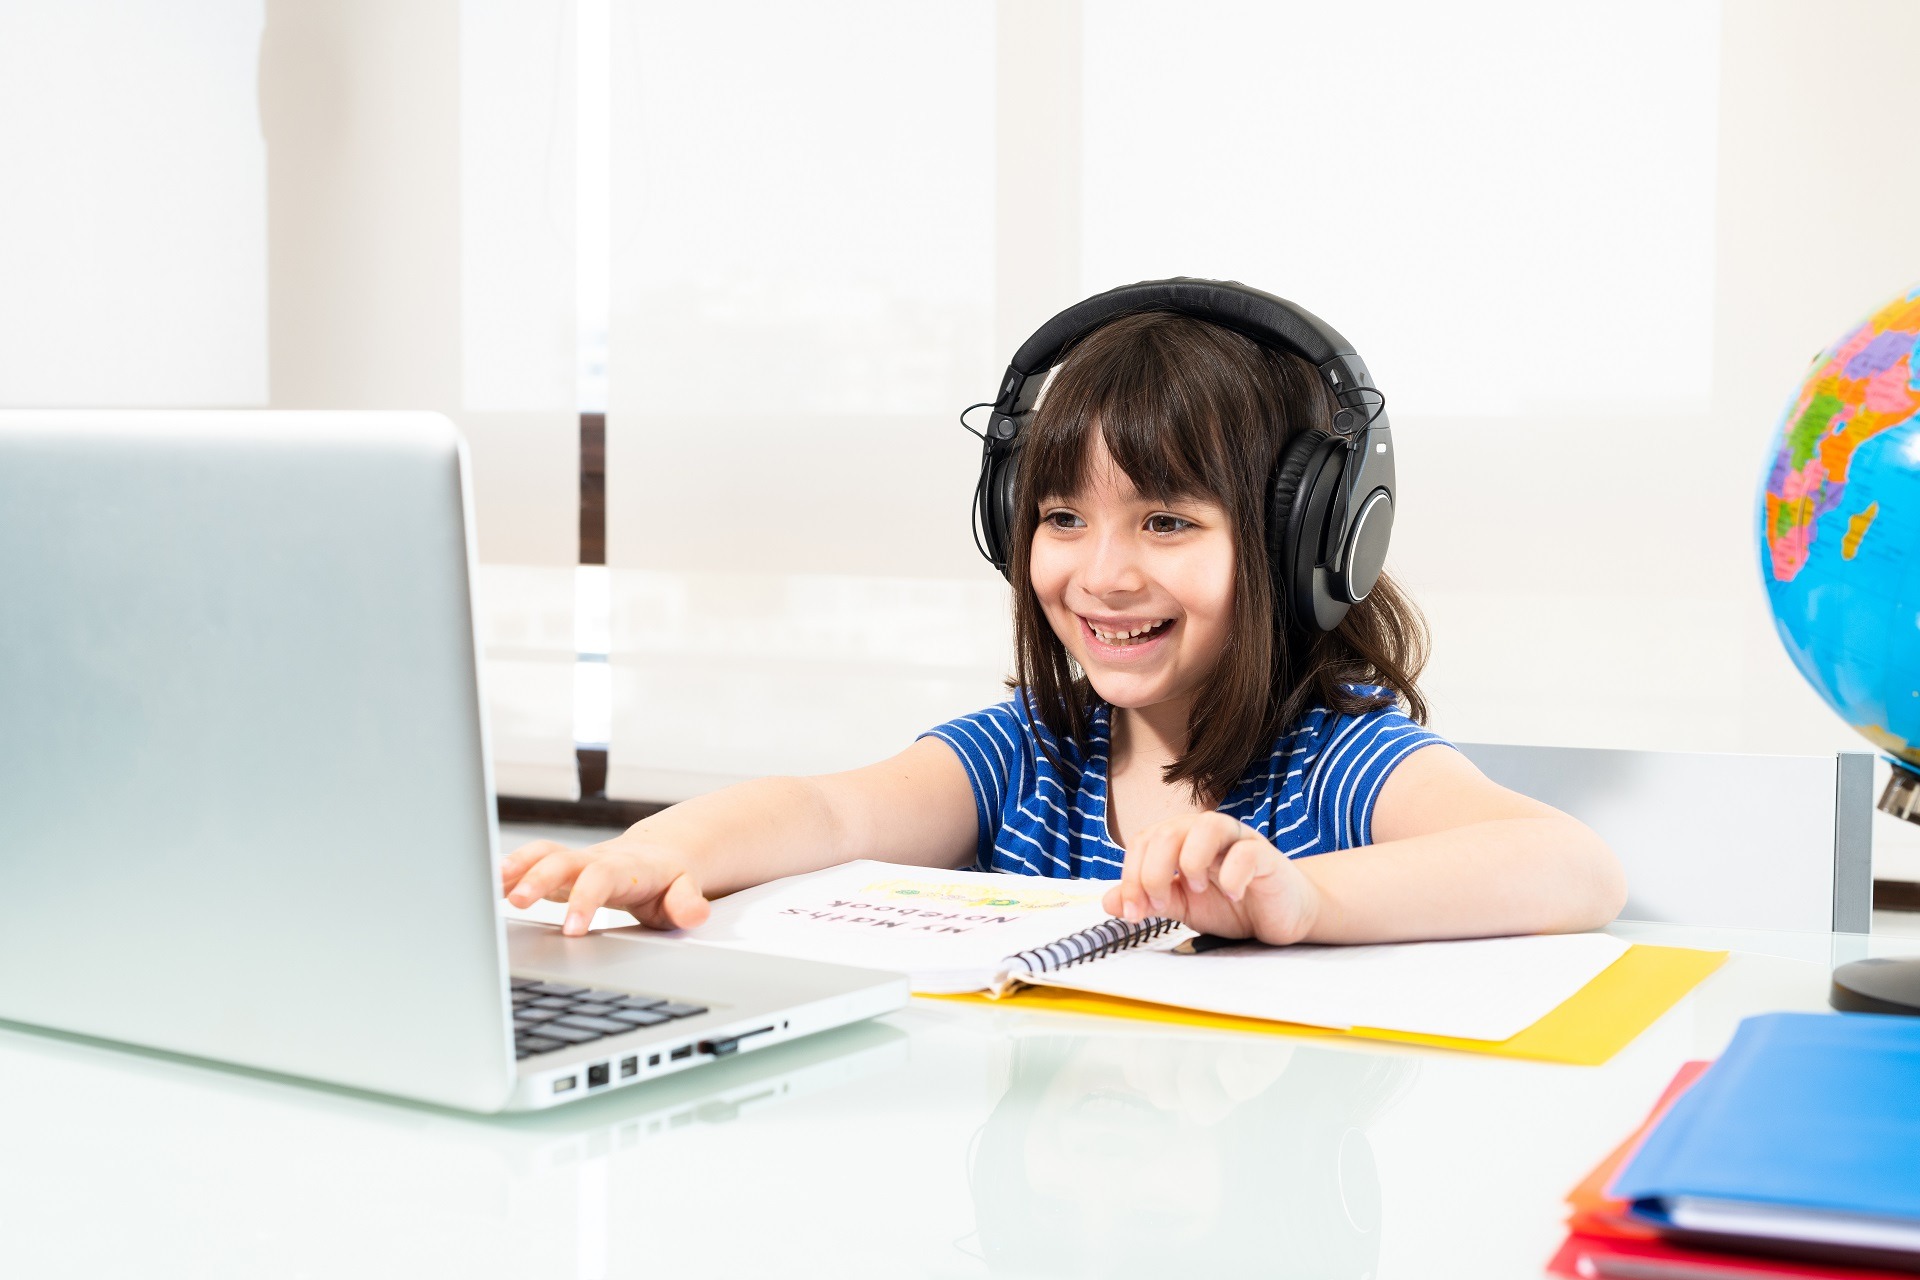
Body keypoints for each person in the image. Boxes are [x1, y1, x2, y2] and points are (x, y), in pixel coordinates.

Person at [502, 307, 1627, 945]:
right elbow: (829, 806)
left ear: (1298, 541)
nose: (1102, 573)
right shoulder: (1028, 752)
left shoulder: (1332, 764)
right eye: (1060, 516)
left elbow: (1571, 865)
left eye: (1168, 520)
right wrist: (665, 850)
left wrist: (1306, 895)